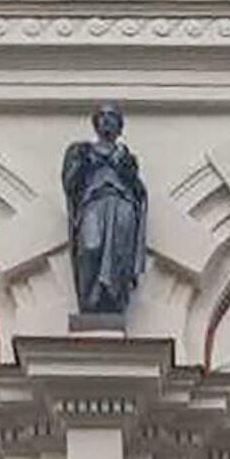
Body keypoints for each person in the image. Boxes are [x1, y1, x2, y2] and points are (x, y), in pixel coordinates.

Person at [62, 103, 147, 315]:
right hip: (94, 202)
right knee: (90, 247)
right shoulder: (81, 151)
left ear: (120, 127)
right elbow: (70, 184)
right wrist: (82, 164)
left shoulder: (125, 156)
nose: (107, 120)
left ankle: (113, 298)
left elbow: (138, 190)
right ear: (96, 123)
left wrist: (125, 168)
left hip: (121, 204)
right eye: (103, 116)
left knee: (119, 252)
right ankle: (90, 298)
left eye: (112, 117)